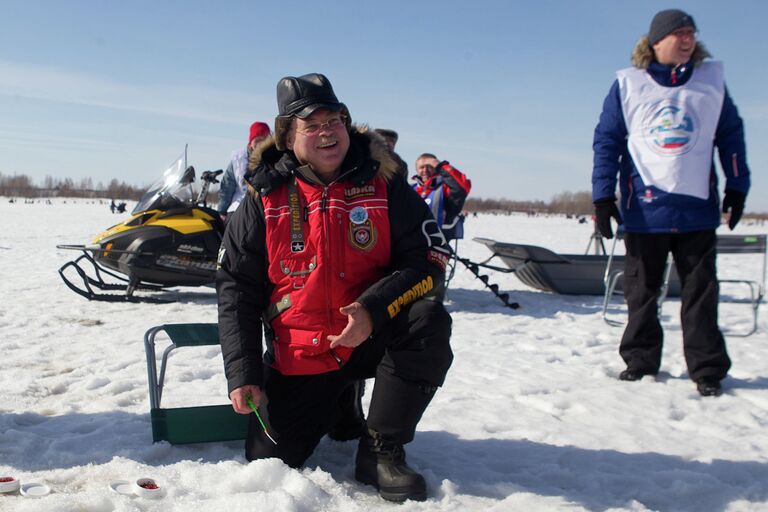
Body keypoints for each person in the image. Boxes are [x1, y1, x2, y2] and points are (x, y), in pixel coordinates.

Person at [216, 73, 453, 502]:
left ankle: (381, 449)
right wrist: (243, 372)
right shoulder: (263, 196)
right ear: (288, 137)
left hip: (369, 338)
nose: (327, 132)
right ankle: (340, 400)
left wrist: (373, 308)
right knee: (269, 458)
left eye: (335, 120)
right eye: (312, 124)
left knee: (427, 320)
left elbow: (431, 259)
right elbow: (236, 287)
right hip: (301, 355)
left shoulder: (386, 181)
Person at [591, 9, 751, 397]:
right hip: (645, 209)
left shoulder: (710, 82)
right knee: (641, 292)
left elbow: (730, 134)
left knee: (701, 293)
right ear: (656, 41)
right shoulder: (629, 85)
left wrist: (738, 186)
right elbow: (607, 141)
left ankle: (707, 368)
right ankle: (641, 361)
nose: (688, 39)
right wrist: (601, 196)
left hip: (697, 207)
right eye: (679, 33)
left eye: (692, 33)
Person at [217, 121, 271, 220]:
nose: (261, 144)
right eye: (258, 140)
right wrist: (222, 211)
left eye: (264, 140)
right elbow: (227, 186)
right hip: (239, 206)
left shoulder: (273, 157)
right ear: (251, 143)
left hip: (265, 207)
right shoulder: (238, 159)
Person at [413, 153, 471, 241]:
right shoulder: (411, 189)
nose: (425, 170)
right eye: (421, 167)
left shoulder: (444, 188)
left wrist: (440, 165)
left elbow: (462, 187)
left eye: (429, 166)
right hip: (410, 243)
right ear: (417, 170)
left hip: (437, 244)